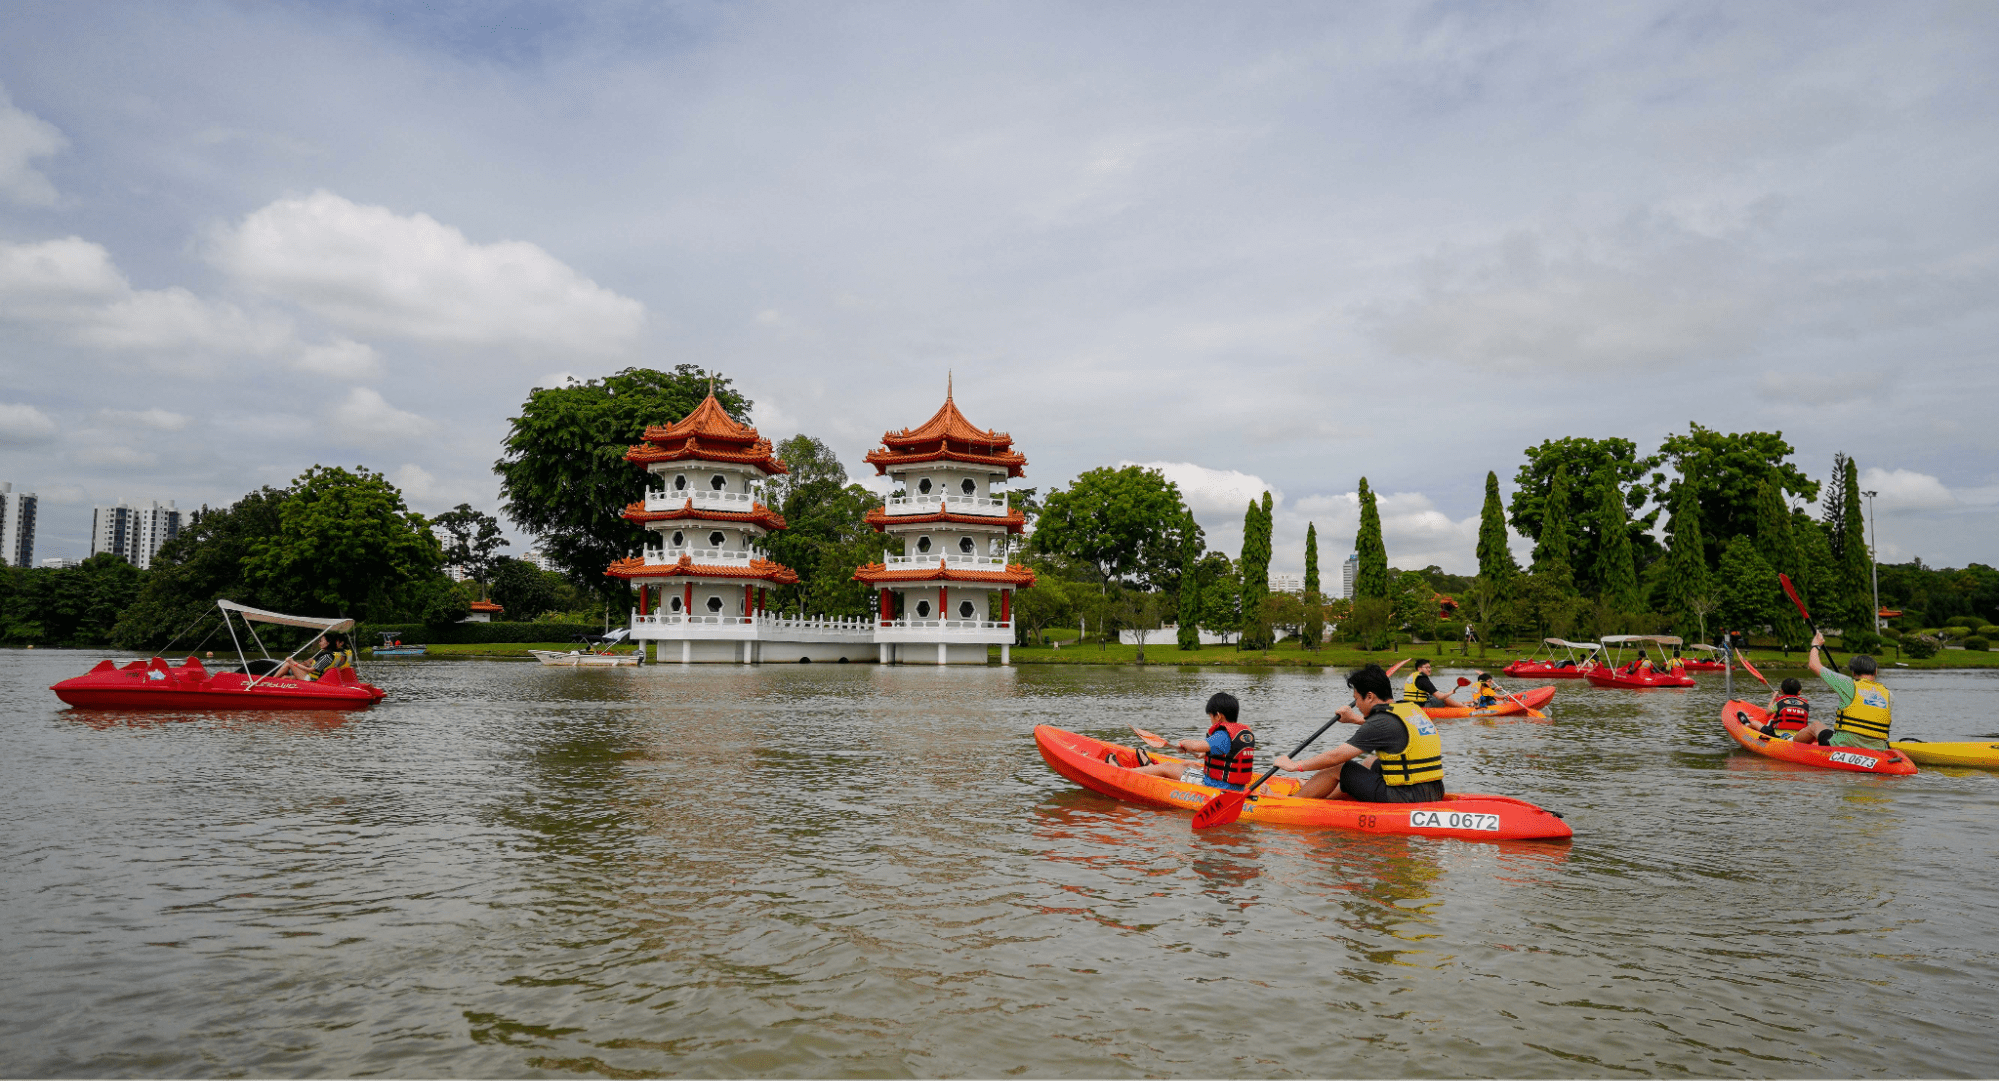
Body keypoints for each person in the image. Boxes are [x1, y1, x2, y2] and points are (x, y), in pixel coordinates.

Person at [1274, 664, 1445, 803]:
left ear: (1369, 697)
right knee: (1371, 761)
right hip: (1434, 791)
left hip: (1407, 796)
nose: (1357, 704)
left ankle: (1291, 802)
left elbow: (1336, 756)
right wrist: (1355, 719)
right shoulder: (1410, 709)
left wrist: (1295, 766)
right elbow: (1394, 731)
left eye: (1356, 699)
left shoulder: (1381, 722)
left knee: (1339, 767)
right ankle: (1325, 794)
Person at [1125, 692, 1255, 792]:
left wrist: (1184, 742)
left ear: (1218, 715)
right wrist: (1196, 752)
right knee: (1188, 764)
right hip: (1236, 787)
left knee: (1168, 766)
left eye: (1211, 716)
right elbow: (1204, 752)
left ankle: (1125, 773)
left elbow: (1198, 746)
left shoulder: (1222, 735)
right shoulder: (1241, 734)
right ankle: (1151, 769)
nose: (1211, 720)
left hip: (1216, 786)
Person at [1790, 632, 1892, 748]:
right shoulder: (1888, 694)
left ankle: (1788, 744)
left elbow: (1814, 665)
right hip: (1878, 748)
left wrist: (1815, 645)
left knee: (1816, 725)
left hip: (1844, 745)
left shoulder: (1847, 683)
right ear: (1875, 672)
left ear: (1853, 673)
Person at [279, 632, 353, 681]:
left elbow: (310, 670)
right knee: (285, 678)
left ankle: (268, 681)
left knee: (288, 664)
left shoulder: (328, 656)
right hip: (322, 678)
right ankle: (274, 683)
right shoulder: (341, 655)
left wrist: (293, 663)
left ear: (328, 642)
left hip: (312, 680)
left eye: (321, 641)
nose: (319, 642)